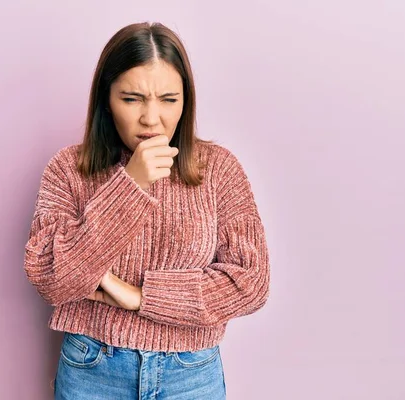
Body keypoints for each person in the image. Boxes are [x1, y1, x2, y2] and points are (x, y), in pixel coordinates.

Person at [23, 21, 270, 400]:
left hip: (191, 372)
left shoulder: (218, 169)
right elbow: (54, 279)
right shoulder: (68, 169)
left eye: (169, 100)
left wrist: (137, 296)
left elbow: (250, 283)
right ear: (106, 98)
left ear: (186, 100)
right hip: (93, 368)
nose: (151, 119)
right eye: (132, 98)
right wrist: (131, 185)